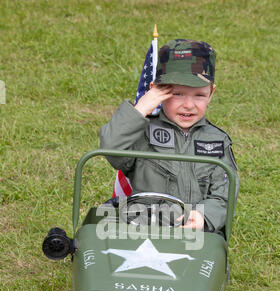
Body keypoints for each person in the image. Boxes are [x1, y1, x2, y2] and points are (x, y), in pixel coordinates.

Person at [99, 39, 239, 232]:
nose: (189, 105)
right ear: (156, 92)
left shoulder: (216, 141)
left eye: (199, 95)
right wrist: (140, 110)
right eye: (178, 94)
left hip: (195, 235)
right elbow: (111, 149)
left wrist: (205, 216)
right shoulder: (142, 132)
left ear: (211, 92)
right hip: (143, 230)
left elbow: (225, 193)